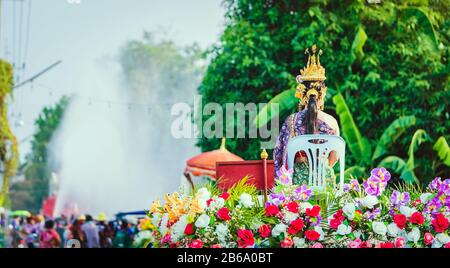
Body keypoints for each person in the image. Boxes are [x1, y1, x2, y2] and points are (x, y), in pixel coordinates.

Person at [274, 44, 340, 186]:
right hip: (325, 181)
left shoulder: (291, 121)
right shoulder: (332, 122)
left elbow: (279, 156)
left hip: (298, 184)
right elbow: (334, 158)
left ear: (301, 94)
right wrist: (319, 169)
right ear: (322, 94)